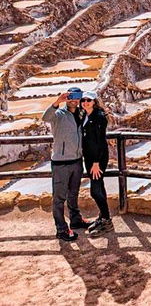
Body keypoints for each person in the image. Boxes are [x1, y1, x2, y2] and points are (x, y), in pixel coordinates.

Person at [42, 87, 91, 241]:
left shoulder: (81, 113)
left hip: (76, 160)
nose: (73, 100)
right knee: (59, 197)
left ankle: (75, 220)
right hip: (61, 162)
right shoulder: (58, 114)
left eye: (77, 97)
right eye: (70, 97)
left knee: (73, 193)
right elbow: (45, 117)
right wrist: (57, 101)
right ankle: (62, 229)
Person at [80, 90, 113, 236]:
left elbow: (99, 141)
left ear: (94, 101)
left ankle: (106, 220)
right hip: (89, 158)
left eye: (88, 100)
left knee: (95, 191)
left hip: (97, 159)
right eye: (83, 100)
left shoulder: (99, 117)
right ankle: (103, 217)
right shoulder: (85, 116)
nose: (85, 102)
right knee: (100, 186)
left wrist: (95, 162)